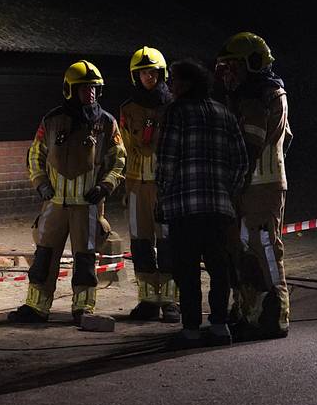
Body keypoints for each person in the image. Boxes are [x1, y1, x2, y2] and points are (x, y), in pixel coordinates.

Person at [10, 60, 126, 325]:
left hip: (87, 205)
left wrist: (105, 186)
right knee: (44, 256)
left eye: (95, 88)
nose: (91, 93)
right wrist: (41, 184)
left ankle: (83, 308)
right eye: (85, 88)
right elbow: (35, 156)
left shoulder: (106, 123)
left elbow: (118, 159)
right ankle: (36, 307)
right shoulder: (52, 121)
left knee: (85, 259)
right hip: (54, 202)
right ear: (70, 90)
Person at [155, 58, 247, 348]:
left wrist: (162, 194)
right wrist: (226, 192)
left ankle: (191, 329)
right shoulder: (224, 113)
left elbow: (167, 161)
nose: (169, 85)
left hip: (184, 208)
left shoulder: (176, 112)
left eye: (173, 80)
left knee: (188, 269)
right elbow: (242, 162)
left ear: (187, 83)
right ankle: (219, 326)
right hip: (219, 209)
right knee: (219, 267)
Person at [217, 32, 293, 340]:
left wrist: (234, 176)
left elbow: (249, 145)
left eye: (234, 66)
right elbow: (286, 138)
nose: (228, 74)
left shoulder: (257, 96)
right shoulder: (270, 92)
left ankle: (274, 316)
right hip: (262, 183)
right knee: (248, 247)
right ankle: (251, 314)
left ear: (254, 63)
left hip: (257, 186)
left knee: (263, 247)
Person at [119, 47, 179, 322]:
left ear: (162, 74)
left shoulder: (173, 106)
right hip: (135, 186)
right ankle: (147, 300)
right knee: (140, 243)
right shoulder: (127, 109)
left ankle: (169, 302)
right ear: (136, 76)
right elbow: (123, 147)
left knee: (167, 242)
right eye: (144, 72)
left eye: (153, 72)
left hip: (164, 185)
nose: (149, 77)